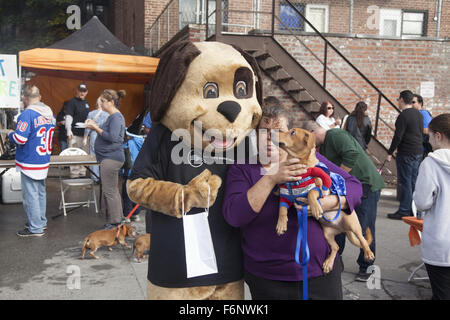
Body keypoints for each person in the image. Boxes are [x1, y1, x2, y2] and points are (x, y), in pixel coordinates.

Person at [223, 106, 363, 300]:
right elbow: (235, 215)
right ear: (254, 135)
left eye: (278, 130)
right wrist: (271, 178)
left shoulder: (308, 161)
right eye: (264, 132)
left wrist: (328, 202)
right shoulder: (243, 169)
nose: (271, 137)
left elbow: (354, 187)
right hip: (268, 277)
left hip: (319, 271)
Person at [302, 120, 385, 282]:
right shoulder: (323, 147)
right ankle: (336, 261)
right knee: (337, 223)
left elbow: (352, 154)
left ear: (312, 133)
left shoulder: (335, 134)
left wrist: (338, 177)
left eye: (308, 140)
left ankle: (367, 267)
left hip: (366, 182)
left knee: (364, 225)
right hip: (350, 188)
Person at [8, 85, 56, 237]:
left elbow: (20, 138)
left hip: (29, 160)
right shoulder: (50, 113)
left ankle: (35, 228)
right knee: (40, 192)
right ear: (40, 97)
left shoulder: (27, 114)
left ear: (24, 97)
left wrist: (10, 134)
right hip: (43, 159)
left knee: (31, 196)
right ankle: (41, 222)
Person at [413, 113, 450, 300]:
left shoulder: (431, 163)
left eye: (429, 136)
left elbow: (422, 202)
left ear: (439, 136)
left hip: (441, 243)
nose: (428, 140)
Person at [85, 89, 126, 229]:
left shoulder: (115, 117)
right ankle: (118, 220)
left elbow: (112, 137)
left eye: (102, 101)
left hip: (111, 159)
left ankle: (115, 223)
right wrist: (94, 124)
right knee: (113, 190)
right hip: (111, 158)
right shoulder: (113, 116)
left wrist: (95, 128)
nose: (100, 103)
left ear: (111, 102)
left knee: (110, 191)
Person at [386, 90, 423, 220]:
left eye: (398, 100)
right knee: (413, 182)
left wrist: (390, 152)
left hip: (406, 152)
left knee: (405, 182)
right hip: (417, 150)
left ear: (401, 99)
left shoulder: (403, 116)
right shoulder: (418, 114)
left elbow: (398, 136)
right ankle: (413, 209)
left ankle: (404, 210)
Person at [65, 83, 90, 178]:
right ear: (77, 91)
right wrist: (69, 129)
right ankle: (74, 174)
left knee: (84, 155)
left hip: (85, 134)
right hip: (74, 133)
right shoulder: (72, 102)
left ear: (87, 92)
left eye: (84, 91)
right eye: (80, 91)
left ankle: (83, 173)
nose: (82, 93)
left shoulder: (86, 103)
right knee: (74, 154)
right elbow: (69, 116)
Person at [83, 96, 109, 182]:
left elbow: (87, 127)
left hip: (94, 136)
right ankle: (104, 177)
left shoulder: (91, 113)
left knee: (93, 156)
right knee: (104, 157)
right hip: (103, 136)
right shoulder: (108, 115)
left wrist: (85, 137)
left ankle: (95, 177)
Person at [121, 129, 144, 222]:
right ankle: (135, 214)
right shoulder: (139, 141)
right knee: (136, 192)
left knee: (126, 194)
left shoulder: (126, 144)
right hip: (139, 171)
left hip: (129, 172)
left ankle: (127, 215)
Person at [412, 94, 433, 158]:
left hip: (422, 150)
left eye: (413, 102)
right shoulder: (415, 113)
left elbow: (428, 130)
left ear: (420, 103)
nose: (411, 104)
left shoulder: (423, 113)